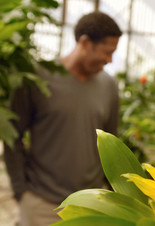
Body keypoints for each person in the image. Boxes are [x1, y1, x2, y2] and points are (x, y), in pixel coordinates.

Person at [4, 11, 122, 226]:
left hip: (90, 206)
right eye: (107, 52)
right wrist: (21, 192)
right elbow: (13, 136)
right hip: (41, 203)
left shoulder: (109, 86)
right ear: (85, 43)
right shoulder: (37, 77)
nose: (110, 60)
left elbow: (112, 143)